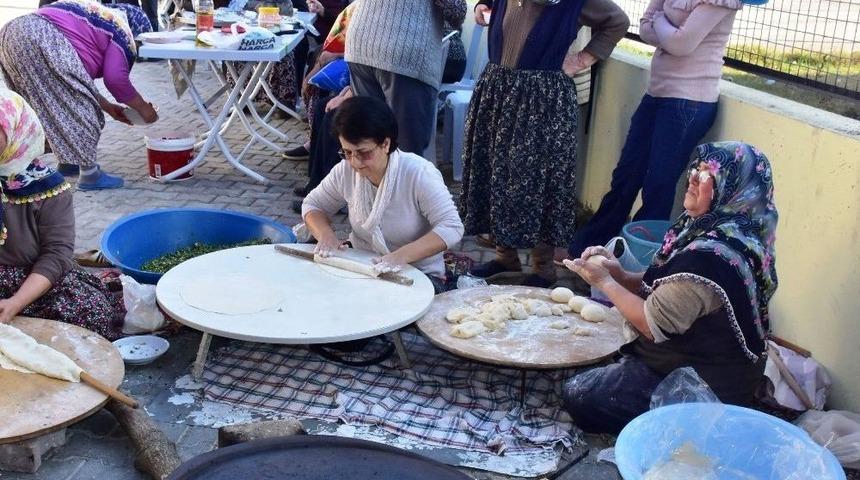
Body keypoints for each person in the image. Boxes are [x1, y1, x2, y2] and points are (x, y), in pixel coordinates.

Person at [562, 141, 778, 434]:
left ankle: (682, 427)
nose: (692, 179)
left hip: (707, 386)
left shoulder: (714, 256)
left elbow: (652, 324)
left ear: (733, 188)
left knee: (579, 395)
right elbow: (665, 282)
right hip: (697, 359)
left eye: (707, 176)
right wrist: (622, 274)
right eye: (696, 170)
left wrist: (603, 282)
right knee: (599, 369)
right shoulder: (723, 227)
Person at [459, 0, 629, 288]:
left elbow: (617, 22)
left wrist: (581, 59)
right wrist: (481, 6)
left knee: (538, 182)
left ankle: (543, 269)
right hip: (499, 90)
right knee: (497, 176)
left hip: (542, 100)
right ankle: (505, 258)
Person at [564, 0, 747, 260]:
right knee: (626, 175)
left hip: (690, 102)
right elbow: (645, 30)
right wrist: (668, 31)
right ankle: (590, 249)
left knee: (658, 185)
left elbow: (681, 45)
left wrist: (660, 21)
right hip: (656, 95)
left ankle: (639, 263)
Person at [301, 96, 464, 292]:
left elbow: (452, 227)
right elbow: (313, 205)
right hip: (363, 265)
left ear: (385, 144)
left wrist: (399, 256)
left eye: (363, 152)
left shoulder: (418, 173)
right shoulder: (345, 170)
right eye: (347, 152)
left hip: (417, 274)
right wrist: (325, 236)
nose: (355, 162)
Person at [0, 89, 125, 340]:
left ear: (15, 130)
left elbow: (56, 255)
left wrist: (15, 303)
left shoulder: (49, 188)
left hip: (36, 282)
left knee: (90, 315)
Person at [0, 0, 158, 191]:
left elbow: (77, 82)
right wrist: (144, 109)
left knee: (42, 104)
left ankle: (67, 162)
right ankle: (90, 175)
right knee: (83, 109)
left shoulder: (99, 16)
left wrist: (108, 106)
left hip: (10, 33)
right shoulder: (122, 29)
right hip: (40, 35)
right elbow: (116, 80)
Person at [344, 0, 466, 156]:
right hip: (403, 51)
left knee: (369, 141)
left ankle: (372, 180)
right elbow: (455, 9)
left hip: (360, 43)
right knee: (406, 152)